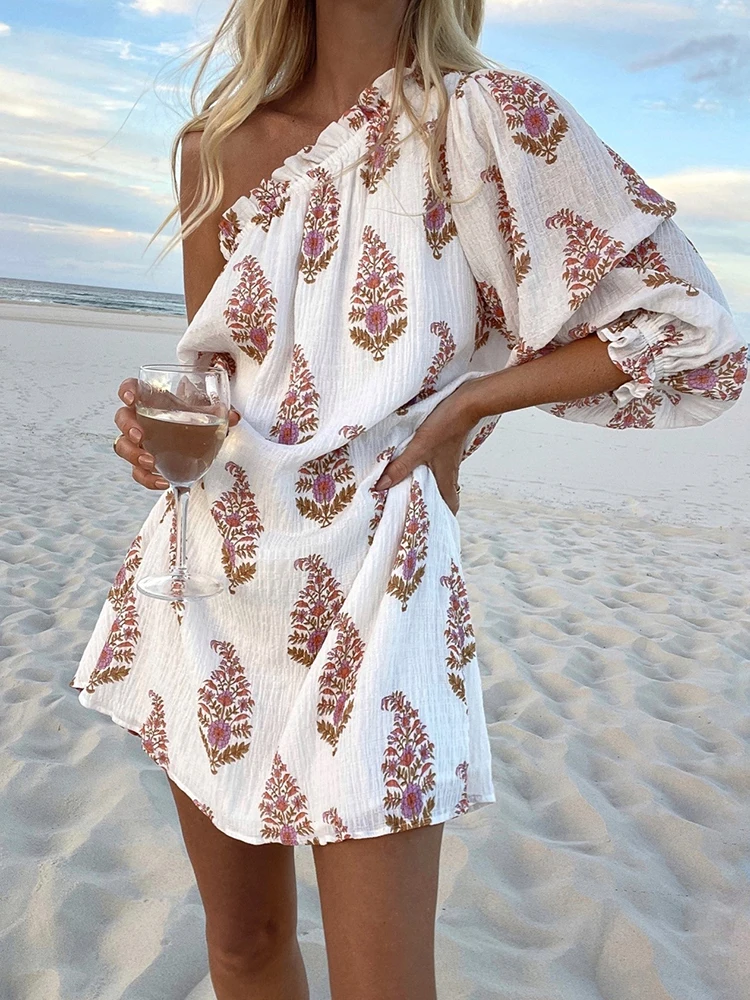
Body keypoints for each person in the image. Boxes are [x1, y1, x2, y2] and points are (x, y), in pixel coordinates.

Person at [69, 1, 748, 998]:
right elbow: (222, 375)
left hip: (381, 583)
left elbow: (689, 331)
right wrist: (156, 435)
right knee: (243, 944)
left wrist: (471, 401)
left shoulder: (490, 120)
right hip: (215, 578)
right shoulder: (214, 147)